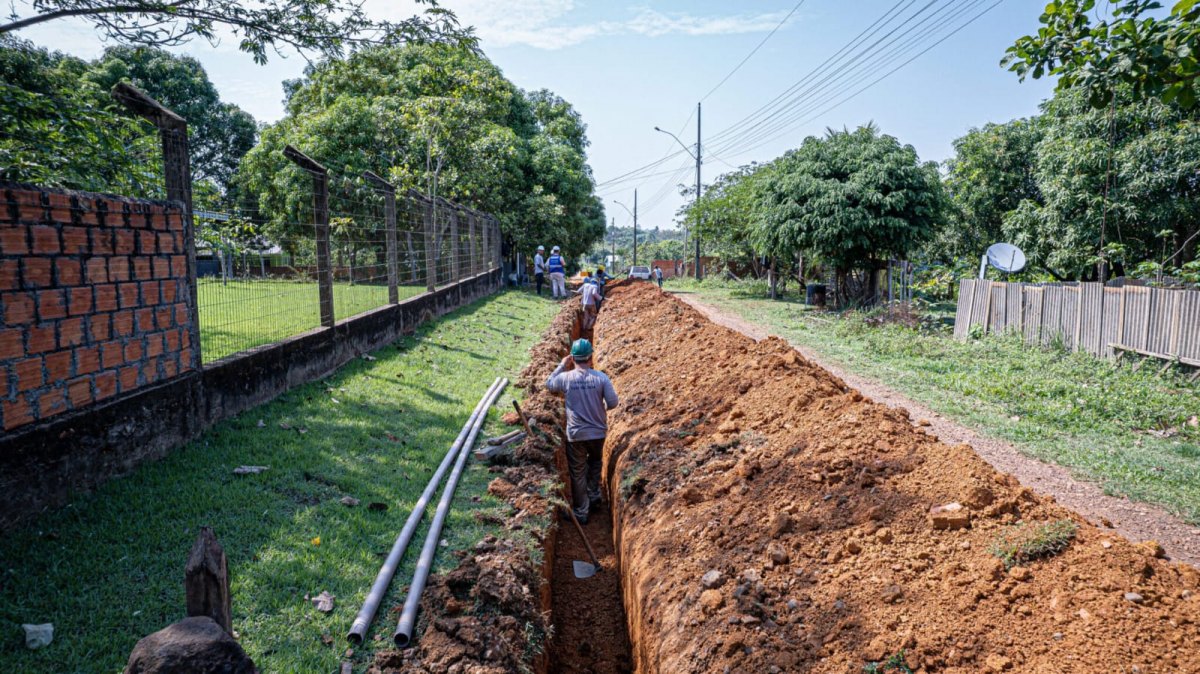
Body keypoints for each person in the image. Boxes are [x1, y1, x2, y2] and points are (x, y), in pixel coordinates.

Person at [545, 338, 618, 524]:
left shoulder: (566, 378)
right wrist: (598, 408)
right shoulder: (601, 378)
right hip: (598, 432)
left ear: (573, 358)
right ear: (590, 357)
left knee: (577, 472)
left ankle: (581, 512)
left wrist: (562, 365)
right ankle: (594, 496)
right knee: (595, 463)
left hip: (576, 435)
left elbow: (549, 384)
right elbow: (613, 403)